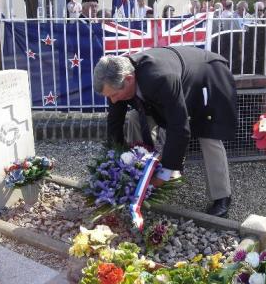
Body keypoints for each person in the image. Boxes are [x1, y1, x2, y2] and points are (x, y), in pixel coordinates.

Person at [93, 46, 237, 217]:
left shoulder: (160, 77)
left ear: (130, 79)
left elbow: (179, 127)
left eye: (115, 95)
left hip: (208, 76)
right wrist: (115, 161)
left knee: (208, 135)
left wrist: (165, 173)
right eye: (109, 97)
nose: (113, 100)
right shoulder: (116, 79)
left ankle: (222, 197)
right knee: (133, 118)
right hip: (171, 86)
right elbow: (115, 123)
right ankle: (141, 172)